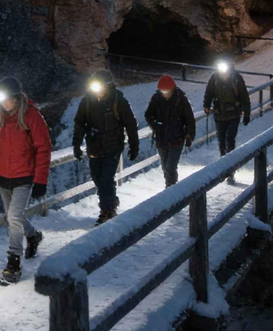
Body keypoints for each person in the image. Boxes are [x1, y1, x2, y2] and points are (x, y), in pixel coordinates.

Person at [0, 76, 51, 285]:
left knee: (14, 217)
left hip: (24, 176)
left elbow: (43, 149)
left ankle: (13, 263)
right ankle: (33, 236)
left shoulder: (31, 116)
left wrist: (40, 180)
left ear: (17, 98)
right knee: (12, 217)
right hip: (3, 177)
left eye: (9, 99)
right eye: (2, 99)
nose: (5, 103)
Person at [72, 69, 140, 226]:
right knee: (98, 178)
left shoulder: (118, 101)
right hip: (94, 146)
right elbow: (79, 123)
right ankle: (112, 201)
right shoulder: (87, 101)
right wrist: (76, 144)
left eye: (102, 86)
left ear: (108, 86)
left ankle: (106, 211)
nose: (99, 89)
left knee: (105, 179)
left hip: (113, 147)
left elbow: (130, 123)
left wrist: (134, 145)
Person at [203, 60, 251, 184]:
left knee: (230, 140)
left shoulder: (236, 79)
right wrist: (206, 105)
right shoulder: (215, 78)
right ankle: (224, 167)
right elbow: (209, 92)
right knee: (221, 142)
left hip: (233, 115)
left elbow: (244, 96)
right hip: (219, 115)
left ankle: (230, 171)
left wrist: (247, 114)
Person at [145, 75, 196, 188]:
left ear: (172, 89)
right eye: (162, 91)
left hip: (177, 138)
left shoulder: (180, 99)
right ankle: (171, 185)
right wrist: (155, 125)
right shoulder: (156, 99)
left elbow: (189, 119)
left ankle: (171, 187)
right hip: (161, 138)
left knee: (170, 166)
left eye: (166, 91)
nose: (165, 93)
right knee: (165, 166)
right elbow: (148, 114)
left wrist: (189, 135)